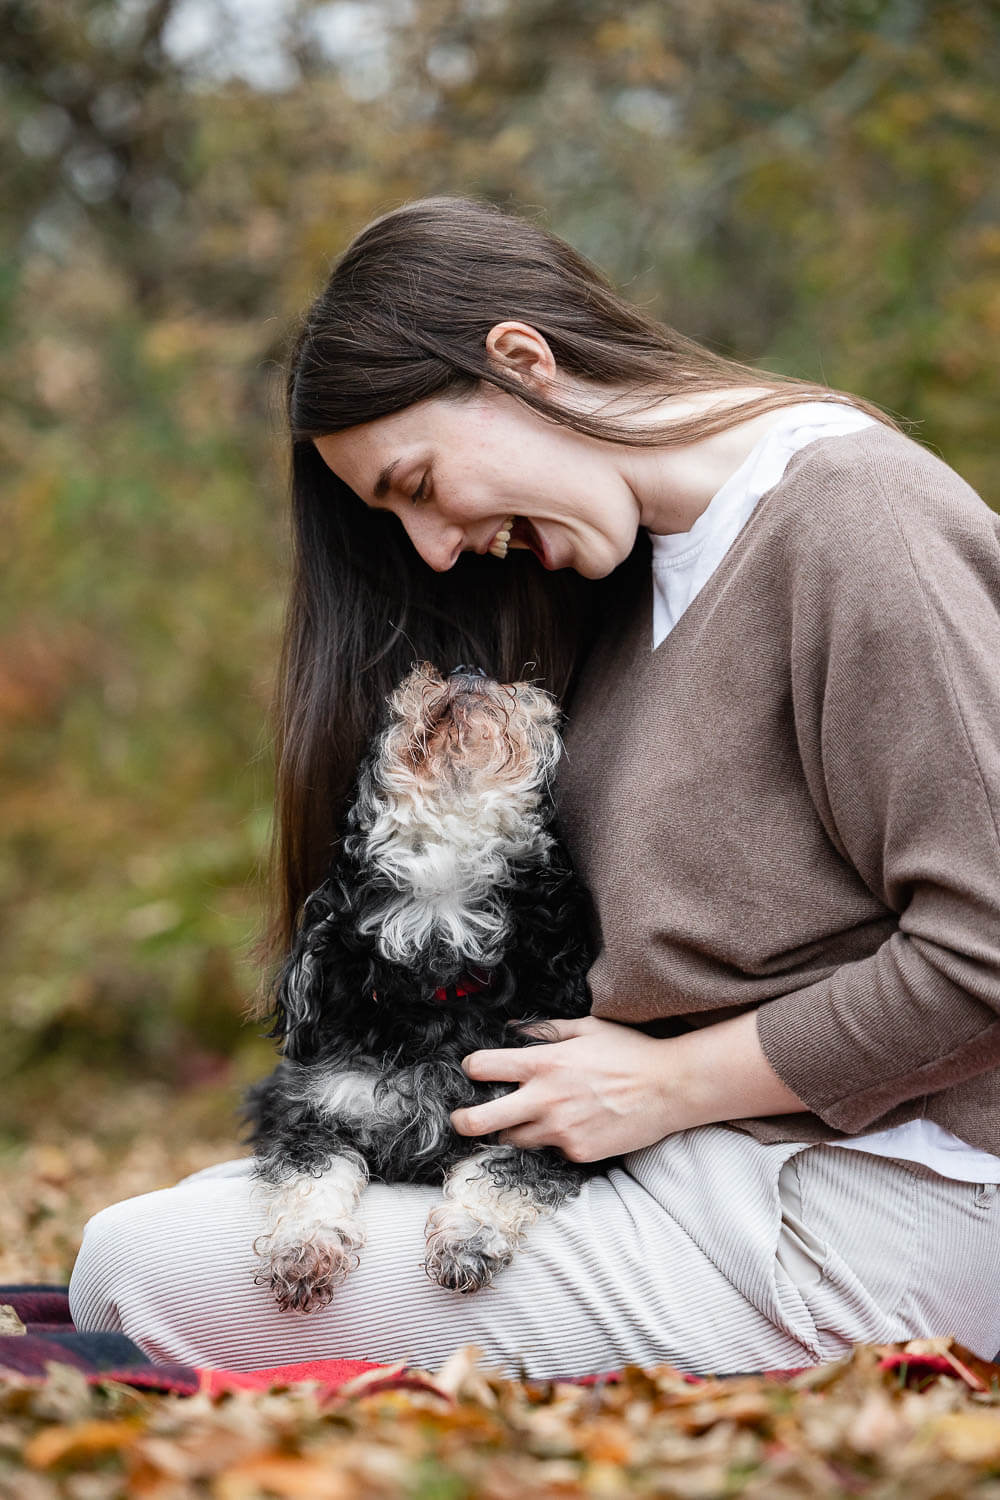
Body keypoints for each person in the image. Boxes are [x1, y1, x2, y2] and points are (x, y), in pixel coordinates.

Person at [69, 196, 1000, 1377]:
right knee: (222, 1209)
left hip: (889, 1202)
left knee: (146, 1264)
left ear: (519, 362)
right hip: (703, 1168)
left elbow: (989, 942)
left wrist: (672, 1083)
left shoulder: (858, 520)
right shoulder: (639, 578)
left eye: (416, 483)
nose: (434, 550)